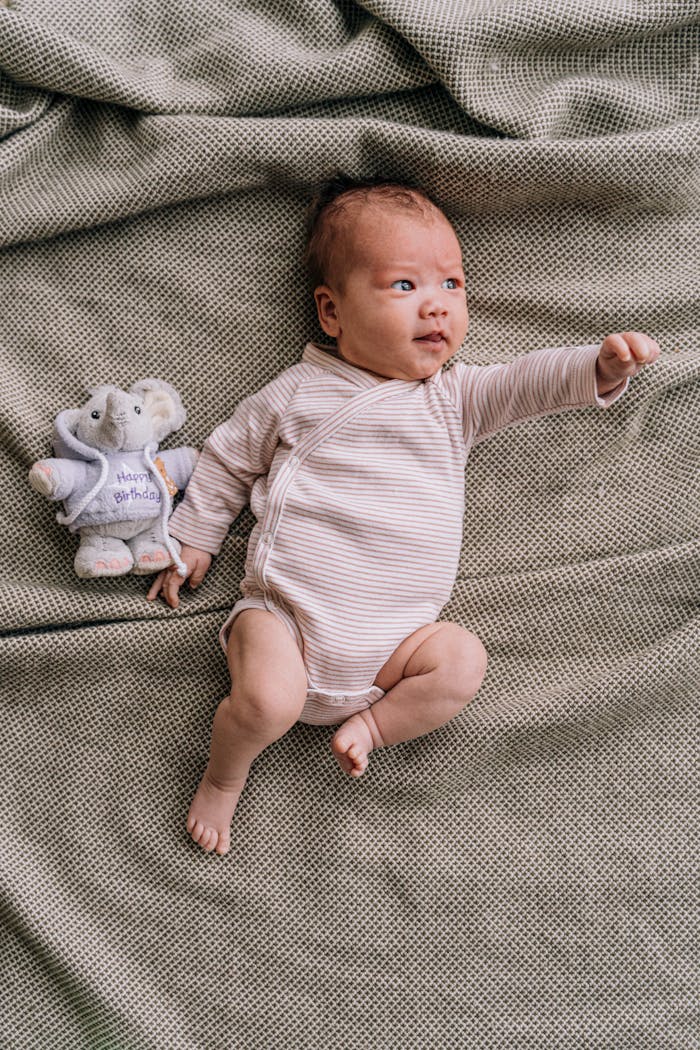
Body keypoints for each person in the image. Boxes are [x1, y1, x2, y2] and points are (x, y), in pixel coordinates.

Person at [147, 176, 660, 856]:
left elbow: (525, 382)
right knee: (266, 703)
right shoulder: (297, 394)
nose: (438, 308)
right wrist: (196, 534)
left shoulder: (454, 399)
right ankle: (223, 779)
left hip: (391, 654)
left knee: (461, 661)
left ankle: (374, 728)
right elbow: (227, 460)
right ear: (332, 312)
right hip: (287, 624)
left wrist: (596, 367)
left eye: (452, 285)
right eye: (404, 287)